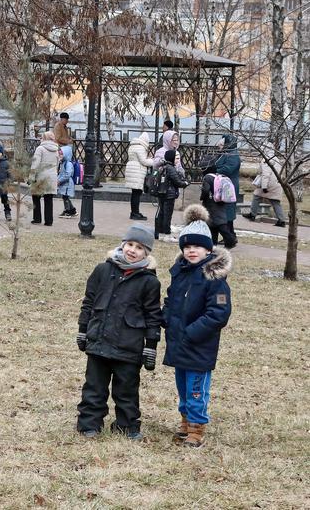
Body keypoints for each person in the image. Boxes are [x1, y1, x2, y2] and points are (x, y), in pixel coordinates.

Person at [75, 225, 162, 440]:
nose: (132, 250)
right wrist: (83, 330)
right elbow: (89, 302)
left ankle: (127, 425)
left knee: (127, 390)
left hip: (129, 346)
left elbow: (153, 315)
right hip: (99, 340)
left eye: (139, 248)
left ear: (146, 253)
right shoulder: (102, 271)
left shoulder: (150, 281)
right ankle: (89, 423)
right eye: (130, 245)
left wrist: (151, 345)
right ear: (123, 245)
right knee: (94, 386)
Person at [162, 205, 232, 448]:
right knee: (182, 386)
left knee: (195, 389)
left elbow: (218, 313)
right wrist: (166, 318)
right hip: (178, 342)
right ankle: (185, 422)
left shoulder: (214, 278)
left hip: (198, 345)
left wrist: (192, 332)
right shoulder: (180, 273)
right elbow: (171, 300)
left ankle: (197, 427)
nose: (192, 251)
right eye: (187, 247)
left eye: (198, 246)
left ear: (208, 249)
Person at [200, 165, 237, 249]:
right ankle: (213, 243)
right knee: (214, 223)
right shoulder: (218, 176)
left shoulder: (207, 177)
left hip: (211, 203)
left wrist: (202, 197)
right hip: (221, 202)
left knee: (219, 224)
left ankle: (231, 240)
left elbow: (205, 190)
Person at [243, 154, 286, 227]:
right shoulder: (276, 159)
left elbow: (266, 174)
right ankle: (281, 221)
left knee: (256, 196)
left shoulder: (266, 159)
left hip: (269, 184)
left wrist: (264, 187)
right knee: (275, 201)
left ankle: (252, 215)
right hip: (277, 183)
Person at [155, 149, 189, 240]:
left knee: (162, 212)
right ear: (171, 158)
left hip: (162, 192)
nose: (178, 160)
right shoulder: (171, 168)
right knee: (167, 214)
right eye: (176, 158)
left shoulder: (163, 166)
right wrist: (185, 183)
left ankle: (160, 230)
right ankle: (167, 232)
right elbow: (177, 181)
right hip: (169, 194)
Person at [213, 134, 241, 238]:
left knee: (228, 211)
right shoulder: (228, 153)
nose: (220, 146)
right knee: (226, 211)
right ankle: (229, 235)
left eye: (222, 143)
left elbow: (228, 169)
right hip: (225, 185)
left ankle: (230, 235)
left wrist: (214, 170)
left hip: (229, 187)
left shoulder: (233, 155)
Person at [30, 132, 58, 226]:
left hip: (41, 176)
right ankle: (49, 221)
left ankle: (37, 218)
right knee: (48, 198)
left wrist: (31, 177)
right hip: (52, 176)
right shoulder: (56, 149)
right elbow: (57, 163)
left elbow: (35, 164)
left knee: (36, 196)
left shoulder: (40, 149)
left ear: (44, 138)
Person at [123, 132, 153, 221]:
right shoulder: (140, 147)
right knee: (136, 194)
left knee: (135, 193)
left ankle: (134, 212)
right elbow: (143, 161)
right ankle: (135, 213)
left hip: (132, 170)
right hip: (137, 172)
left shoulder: (133, 146)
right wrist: (152, 161)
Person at [58, 144, 77, 218]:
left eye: (61, 154)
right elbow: (61, 173)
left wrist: (60, 181)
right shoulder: (63, 163)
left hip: (67, 184)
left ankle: (67, 211)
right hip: (65, 184)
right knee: (65, 197)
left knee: (65, 197)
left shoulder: (68, 164)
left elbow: (67, 174)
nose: (60, 156)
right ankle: (72, 210)